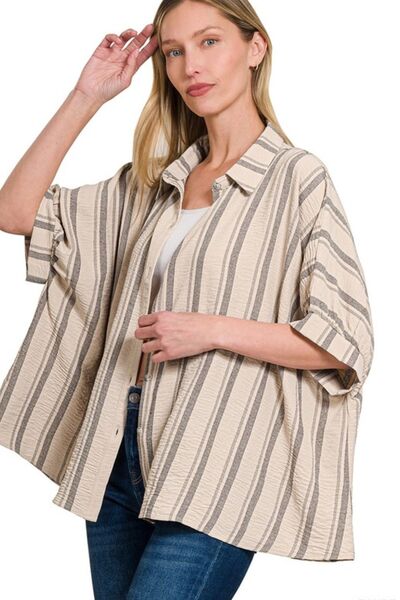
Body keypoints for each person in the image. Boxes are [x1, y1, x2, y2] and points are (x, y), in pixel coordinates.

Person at [0, 0, 374, 598]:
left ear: (255, 48)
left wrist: (210, 329)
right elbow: (15, 211)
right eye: (174, 51)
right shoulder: (153, 185)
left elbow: (343, 341)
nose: (190, 66)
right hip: (117, 449)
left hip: (217, 456)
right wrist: (87, 96)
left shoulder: (297, 180)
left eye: (209, 42)